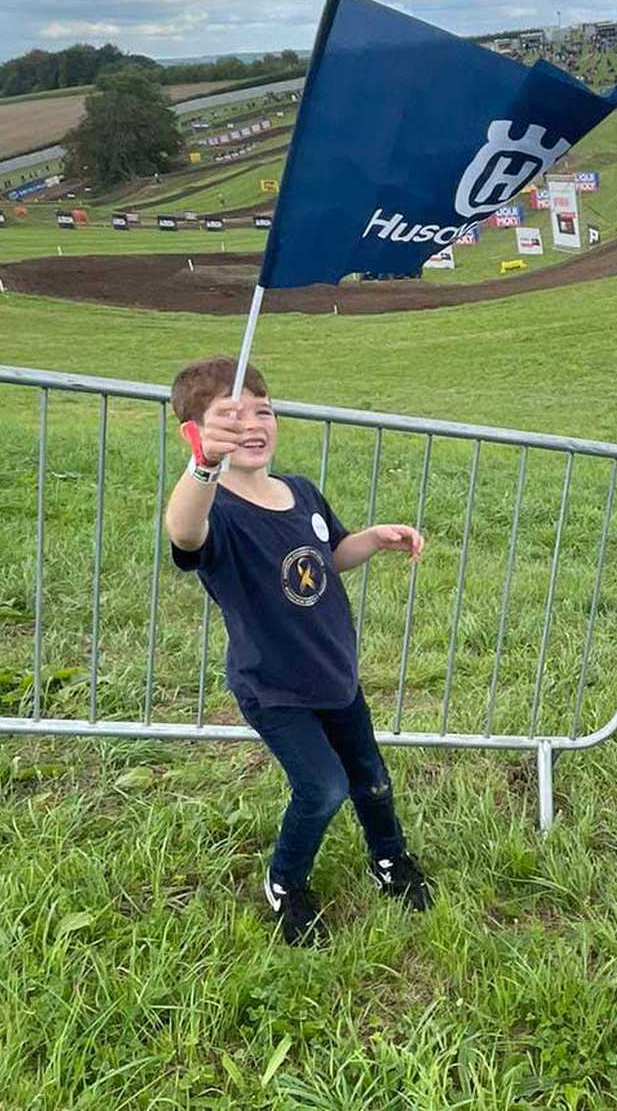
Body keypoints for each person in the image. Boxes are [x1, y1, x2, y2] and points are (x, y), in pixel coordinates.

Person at [163, 357, 434, 945]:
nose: (253, 423)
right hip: (275, 688)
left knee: (370, 777)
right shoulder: (217, 514)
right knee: (324, 788)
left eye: (263, 409)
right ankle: (286, 882)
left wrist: (373, 539)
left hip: (335, 672)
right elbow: (183, 533)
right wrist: (204, 466)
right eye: (230, 416)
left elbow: (329, 554)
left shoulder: (301, 491)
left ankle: (390, 860)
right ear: (197, 431)